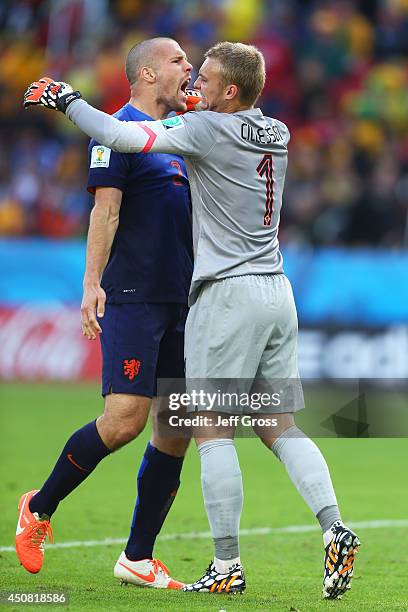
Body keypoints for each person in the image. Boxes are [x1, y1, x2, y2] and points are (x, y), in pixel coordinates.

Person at [23, 41, 361, 600]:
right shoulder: (277, 132)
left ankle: (226, 561)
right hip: (278, 293)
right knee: (279, 425)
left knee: (208, 429)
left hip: (226, 297)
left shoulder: (205, 132)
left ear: (228, 91)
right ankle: (334, 525)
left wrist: (68, 101)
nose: (194, 85)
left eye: (203, 78)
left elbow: (122, 136)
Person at [16, 37, 195, 590]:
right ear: (145, 73)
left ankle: (137, 557)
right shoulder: (112, 133)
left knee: (176, 428)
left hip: (183, 300)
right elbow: (106, 212)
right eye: (178, 61)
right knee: (123, 422)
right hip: (135, 296)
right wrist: (92, 283)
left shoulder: (182, 136)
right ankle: (38, 508)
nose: (189, 68)